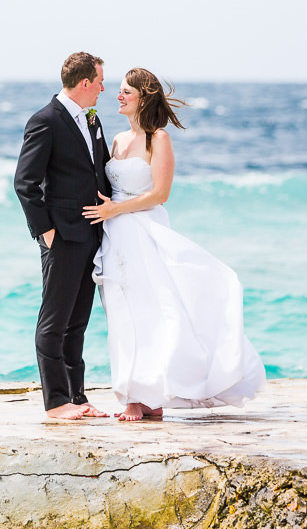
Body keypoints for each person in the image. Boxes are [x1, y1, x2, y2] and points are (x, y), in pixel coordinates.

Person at [82, 68, 265, 421]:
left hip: (144, 233)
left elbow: (160, 194)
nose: (119, 96)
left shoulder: (159, 139)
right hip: (115, 238)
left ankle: (144, 396)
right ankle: (139, 396)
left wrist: (115, 209)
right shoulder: (117, 140)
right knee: (120, 315)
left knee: (152, 313)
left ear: (143, 98)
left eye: (126, 91)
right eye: (119, 90)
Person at [14, 52, 112, 420]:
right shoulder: (45, 120)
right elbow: (25, 183)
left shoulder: (92, 118)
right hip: (62, 238)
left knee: (77, 324)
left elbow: (98, 171)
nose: (103, 88)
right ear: (85, 82)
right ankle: (55, 402)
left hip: (91, 234)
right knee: (54, 322)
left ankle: (77, 397)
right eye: (100, 81)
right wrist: (46, 232)